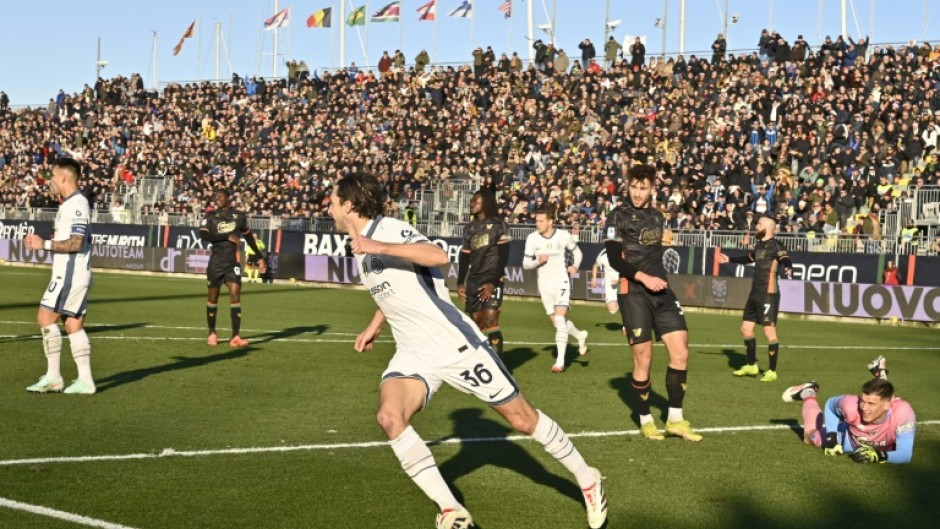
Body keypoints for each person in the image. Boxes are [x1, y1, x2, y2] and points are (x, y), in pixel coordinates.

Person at [329, 173, 607, 529]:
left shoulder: (387, 232)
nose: (330, 207)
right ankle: (451, 510)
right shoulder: (362, 246)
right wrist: (375, 325)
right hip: (414, 352)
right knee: (389, 417)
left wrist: (378, 247)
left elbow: (436, 256)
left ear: (350, 204)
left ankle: (587, 479)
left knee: (522, 419)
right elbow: (398, 289)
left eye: (334, 200)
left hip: (454, 344)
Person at [603, 164, 701, 442]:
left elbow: (655, 255)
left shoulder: (658, 217)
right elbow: (613, 259)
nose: (637, 192)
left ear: (651, 189)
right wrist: (644, 278)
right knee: (643, 358)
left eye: (643, 187)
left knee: (681, 351)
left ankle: (675, 419)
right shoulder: (616, 216)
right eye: (633, 186)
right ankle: (646, 419)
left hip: (662, 292)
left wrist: (658, 280)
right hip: (633, 293)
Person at [23, 158, 97, 394]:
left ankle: (54, 377)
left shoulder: (77, 205)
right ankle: (85, 381)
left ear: (64, 177)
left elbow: (76, 243)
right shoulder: (71, 204)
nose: (51, 181)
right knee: (73, 324)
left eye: (53, 176)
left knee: (45, 318)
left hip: (70, 273)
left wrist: (42, 244)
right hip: (75, 273)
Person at [782, 357, 915, 464]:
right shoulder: (851, 405)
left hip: (883, 423)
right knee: (808, 438)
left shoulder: (903, 413)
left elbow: (905, 454)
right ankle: (808, 393)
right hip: (848, 439)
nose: (863, 407)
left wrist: (878, 456)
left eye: (870, 403)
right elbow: (830, 405)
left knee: (881, 398)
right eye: (863, 401)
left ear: (888, 405)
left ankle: (880, 374)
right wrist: (832, 436)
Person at [718, 216, 794, 382]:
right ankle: (752, 365)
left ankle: (772, 371)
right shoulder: (760, 244)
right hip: (755, 292)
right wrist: (729, 259)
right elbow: (750, 258)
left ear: (767, 227)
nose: (756, 226)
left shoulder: (777, 245)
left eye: (759, 224)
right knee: (745, 328)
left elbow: (785, 259)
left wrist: (788, 267)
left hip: (769, 293)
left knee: (769, 331)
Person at [522, 207, 589, 373]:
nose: (537, 224)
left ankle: (560, 362)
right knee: (558, 323)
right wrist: (538, 261)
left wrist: (575, 266)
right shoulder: (532, 239)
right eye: (536, 221)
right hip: (544, 285)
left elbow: (578, 253)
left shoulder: (563, 236)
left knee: (559, 320)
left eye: (541, 221)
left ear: (550, 221)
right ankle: (580, 336)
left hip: (561, 282)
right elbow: (525, 263)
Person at [199, 189, 266, 347]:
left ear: (229, 198)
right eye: (216, 196)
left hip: (232, 263)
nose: (218, 198)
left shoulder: (239, 216)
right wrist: (226, 236)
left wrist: (259, 257)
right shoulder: (210, 216)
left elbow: (249, 238)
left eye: (221, 195)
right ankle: (212, 333)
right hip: (216, 263)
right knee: (213, 298)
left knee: (236, 295)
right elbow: (204, 236)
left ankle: (235, 336)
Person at [457, 189, 511, 355]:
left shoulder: (498, 225)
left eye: (477, 201)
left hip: (493, 279)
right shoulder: (469, 228)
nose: (472, 204)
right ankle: (478, 362)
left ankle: (498, 366)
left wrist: (493, 283)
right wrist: (460, 282)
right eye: (472, 201)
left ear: (486, 204)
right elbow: (464, 257)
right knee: (477, 323)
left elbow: (503, 257)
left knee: (490, 318)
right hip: (474, 280)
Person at [590, 248, 620, 315]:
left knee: (626, 306)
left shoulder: (623, 252)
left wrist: (619, 280)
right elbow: (595, 266)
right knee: (612, 310)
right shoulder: (603, 255)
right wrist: (594, 278)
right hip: (609, 284)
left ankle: (627, 323)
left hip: (623, 282)